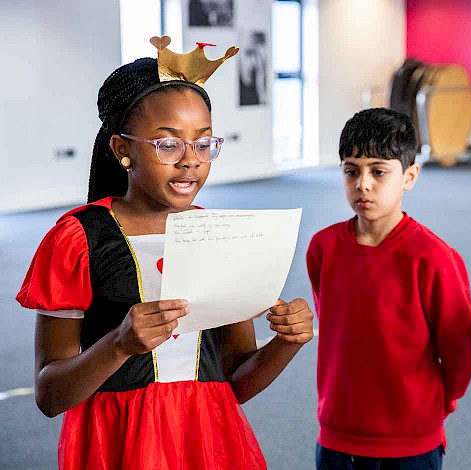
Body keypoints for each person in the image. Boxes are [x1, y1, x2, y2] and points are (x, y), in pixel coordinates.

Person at [16, 39, 314, 469]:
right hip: (116, 444)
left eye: (204, 143)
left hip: (209, 441)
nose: (190, 161)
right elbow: (49, 395)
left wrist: (287, 343)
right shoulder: (78, 238)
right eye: (168, 144)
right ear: (123, 151)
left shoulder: (219, 236)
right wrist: (119, 345)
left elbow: (234, 384)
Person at [306, 108, 471, 469]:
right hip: (337, 433)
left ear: (410, 176)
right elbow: (337, 333)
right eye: (351, 171)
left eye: (378, 172)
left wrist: (433, 406)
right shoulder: (323, 248)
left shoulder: (434, 258)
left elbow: (461, 353)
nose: (362, 184)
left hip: (411, 442)